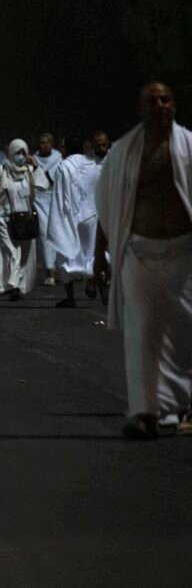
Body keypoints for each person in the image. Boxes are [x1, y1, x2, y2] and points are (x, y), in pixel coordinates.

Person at [95, 82, 192, 439]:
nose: (161, 105)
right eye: (153, 101)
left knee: (184, 333)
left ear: (174, 104)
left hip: (185, 253)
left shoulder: (189, 148)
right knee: (142, 333)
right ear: (141, 109)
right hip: (139, 252)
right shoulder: (123, 153)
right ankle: (144, 412)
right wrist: (99, 257)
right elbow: (108, 206)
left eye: (166, 99)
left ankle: (180, 404)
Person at [0, 139, 50, 300]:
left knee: (23, 254)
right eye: (17, 153)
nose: (20, 156)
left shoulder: (30, 171)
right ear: (10, 153)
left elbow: (43, 186)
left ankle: (14, 284)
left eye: (24, 153)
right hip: (3, 218)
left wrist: (37, 166)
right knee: (11, 251)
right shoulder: (1, 170)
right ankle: (14, 284)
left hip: (25, 219)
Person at [46, 132, 109, 308]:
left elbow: (60, 195)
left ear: (64, 149)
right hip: (91, 216)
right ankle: (99, 283)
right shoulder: (90, 162)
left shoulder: (63, 166)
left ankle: (70, 298)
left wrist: (57, 220)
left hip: (72, 216)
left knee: (66, 255)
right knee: (93, 254)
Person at [33, 133, 63, 285]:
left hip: (55, 198)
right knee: (44, 235)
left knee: (57, 233)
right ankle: (48, 271)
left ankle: (59, 268)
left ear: (52, 144)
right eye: (41, 143)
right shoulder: (33, 159)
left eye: (47, 143)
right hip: (40, 199)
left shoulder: (59, 158)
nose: (44, 145)